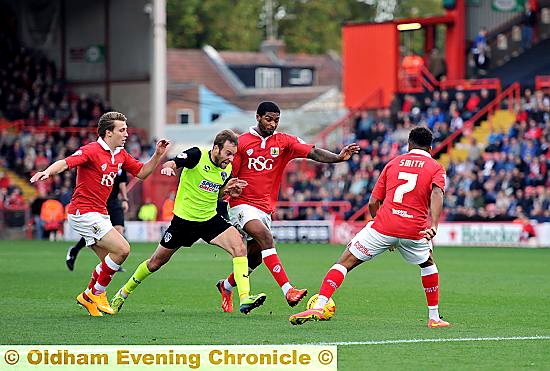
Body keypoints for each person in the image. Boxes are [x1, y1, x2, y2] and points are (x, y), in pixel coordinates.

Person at [289, 126, 450, 329]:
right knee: (428, 264)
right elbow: (437, 193)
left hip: (383, 226)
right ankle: (434, 317)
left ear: (409, 144)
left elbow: (373, 202)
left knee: (345, 261)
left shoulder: (393, 164)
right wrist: (433, 225)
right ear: (430, 147)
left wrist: (381, 225)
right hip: (414, 229)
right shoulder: (435, 167)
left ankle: (320, 305)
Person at [215, 101, 360, 313]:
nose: (272, 124)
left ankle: (226, 286)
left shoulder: (284, 142)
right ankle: (288, 290)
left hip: (265, 208)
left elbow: (313, 152)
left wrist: (338, 158)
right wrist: (226, 189)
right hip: (241, 205)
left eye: (276, 120)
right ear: (257, 117)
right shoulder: (242, 143)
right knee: (266, 238)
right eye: (268, 119)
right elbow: (227, 173)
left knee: (255, 257)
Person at [110, 129, 267, 315]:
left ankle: (245, 297)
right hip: (184, 222)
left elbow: (215, 193)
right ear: (216, 148)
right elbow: (173, 162)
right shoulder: (197, 155)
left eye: (233, 154)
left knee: (239, 246)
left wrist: (227, 192)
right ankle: (123, 292)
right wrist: (169, 167)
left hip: (210, 219)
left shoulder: (227, 169)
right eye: (227, 153)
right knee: (155, 263)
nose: (231, 159)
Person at [30, 111, 169, 317]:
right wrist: (48, 172)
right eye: (121, 130)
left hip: (99, 213)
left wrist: (157, 155)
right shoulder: (91, 150)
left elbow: (142, 173)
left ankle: (87, 296)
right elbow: (66, 162)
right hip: (83, 212)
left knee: (109, 261)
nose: (126, 134)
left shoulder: (120, 154)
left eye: (126, 129)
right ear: (108, 132)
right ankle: (97, 293)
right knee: (123, 249)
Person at [66, 169, 129, 271]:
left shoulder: (121, 161)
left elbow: (122, 182)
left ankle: (112, 260)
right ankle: (76, 250)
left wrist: (125, 199)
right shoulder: (100, 160)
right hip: (99, 201)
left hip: (114, 202)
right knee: (97, 233)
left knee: (118, 230)